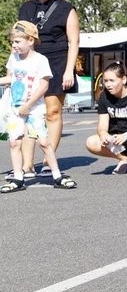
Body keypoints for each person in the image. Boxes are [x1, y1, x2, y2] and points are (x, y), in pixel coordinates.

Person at [17, 0, 79, 177]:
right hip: (32, 62)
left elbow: (74, 41)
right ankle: (26, 165)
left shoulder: (66, 8)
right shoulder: (26, 8)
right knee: (27, 113)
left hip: (58, 61)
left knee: (52, 112)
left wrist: (69, 70)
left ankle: (47, 160)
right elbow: (19, 38)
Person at [1, 21, 76, 191]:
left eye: (18, 41)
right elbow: (11, 78)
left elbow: (44, 86)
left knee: (43, 141)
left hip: (34, 108)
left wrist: (28, 105)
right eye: (13, 42)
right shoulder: (14, 59)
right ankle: (18, 178)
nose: (14, 45)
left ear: (30, 40)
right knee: (14, 142)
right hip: (15, 108)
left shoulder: (40, 60)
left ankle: (57, 175)